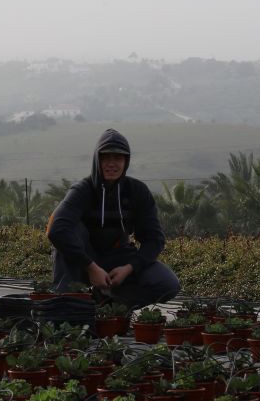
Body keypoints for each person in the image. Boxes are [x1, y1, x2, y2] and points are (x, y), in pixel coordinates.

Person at [46, 128, 181, 309]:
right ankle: (70, 307)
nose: (111, 164)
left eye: (117, 158)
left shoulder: (137, 192)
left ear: (126, 161)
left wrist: (129, 268)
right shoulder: (82, 190)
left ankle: (109, 304)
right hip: (82, 259)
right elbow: (57, 230)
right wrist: (91, 267)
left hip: (119, 258)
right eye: (105, 158)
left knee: (167, 283)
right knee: (70, 230)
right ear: (97, 160)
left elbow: (154, 240)